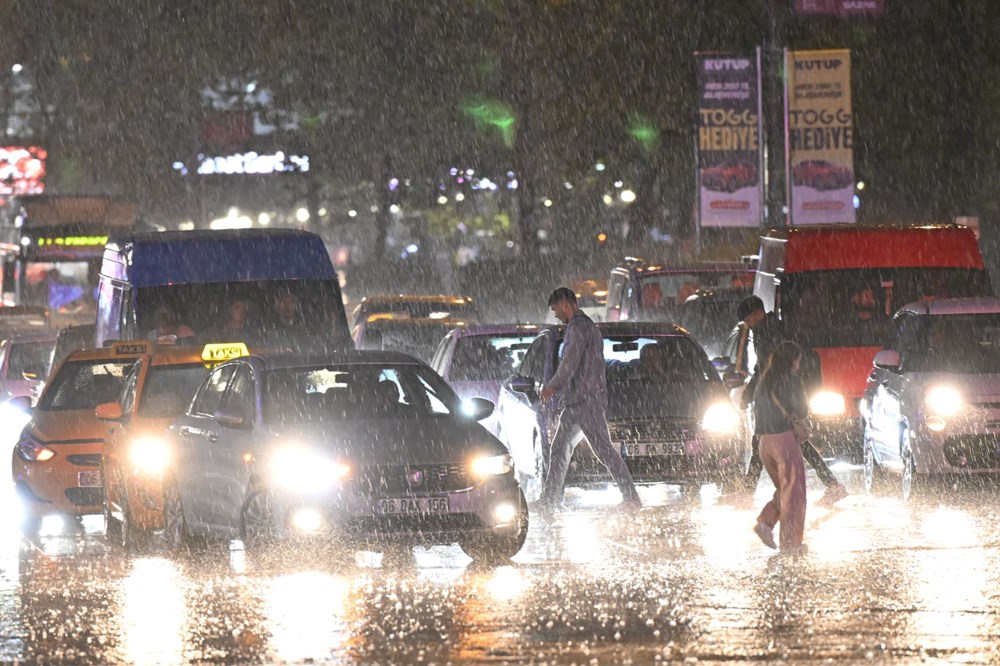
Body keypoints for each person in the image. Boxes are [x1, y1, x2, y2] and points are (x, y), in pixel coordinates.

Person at [734, 295, 848, 507]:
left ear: (757, 314)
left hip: (776, 397)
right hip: (780, 396)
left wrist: (750, 394)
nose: (748, 326)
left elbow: (766, 369)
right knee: (787, 440)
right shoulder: (771, 329)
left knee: (765, 440)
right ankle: (832, 485)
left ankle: (747, 492)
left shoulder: (768, 333)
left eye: (748, 320)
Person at [538, 287, 641, 510]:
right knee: (560, 448)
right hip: (579, 399)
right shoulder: (586, 327)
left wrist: (552, 386)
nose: (556, 315)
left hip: (585, 400)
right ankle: (549, 499)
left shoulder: (578, 328)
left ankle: (631, 498)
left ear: (566, 305)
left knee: (602, 449)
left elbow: (570, 362)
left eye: (556, 310)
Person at [752, 341, 809, 552]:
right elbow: (802, 411)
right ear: (792, 361)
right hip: (784, 440)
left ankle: (766, 523)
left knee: (785, 489)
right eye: (798, 360)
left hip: (764, 442)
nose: (799, 365)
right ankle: (791, 543)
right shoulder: (791, 381)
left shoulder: (763, 382)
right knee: (794, 493)